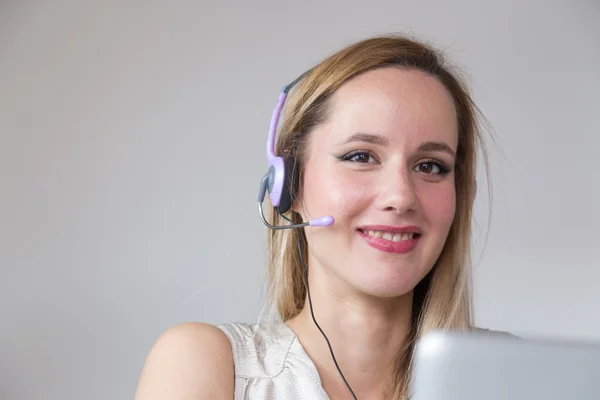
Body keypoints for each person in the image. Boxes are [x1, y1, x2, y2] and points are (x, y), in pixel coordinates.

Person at [134, 34, 510, 400]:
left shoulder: (509, 374)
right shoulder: (208, 364)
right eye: (360, 156)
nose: (401, 196)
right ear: (289, 184)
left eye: (431, 165)